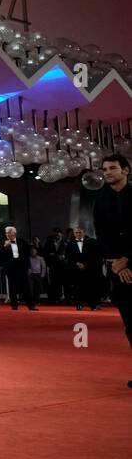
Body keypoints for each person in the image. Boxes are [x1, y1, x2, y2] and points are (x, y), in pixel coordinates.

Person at [92, 154, 132, 387]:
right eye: (104, 169)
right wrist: (117, 262)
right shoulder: (101, 200)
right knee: (131, 324)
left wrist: (127, 259)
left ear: (125, 170)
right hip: (117, 268)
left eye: (113, 168)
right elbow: (102, 235)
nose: (107, 172)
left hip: (128, 263)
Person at [66, 227, 104, 311]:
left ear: (83, 233)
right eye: (76, 232)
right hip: (76, 269)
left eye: (80, 232)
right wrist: (77, 263)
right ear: (74, 233)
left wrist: (86, 264)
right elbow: (68, 257)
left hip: (88, 269)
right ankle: (79, 304)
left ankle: (92, 305)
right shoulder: (70, 244)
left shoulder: (90, 242)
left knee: (90, 287)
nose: (78, 234)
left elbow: (93, 256)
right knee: (77, 287)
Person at [0, 226, 34, 310]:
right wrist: (5, 247)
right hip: (11, 268)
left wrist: (28, 267)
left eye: (9, 233)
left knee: (26, 286)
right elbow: (0, 256)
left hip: (21, 267)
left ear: (14, 233)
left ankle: (31, 305)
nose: (7, 234)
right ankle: (14, 305)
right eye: (6, 233)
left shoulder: (22, 242)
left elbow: (27, 255)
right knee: (12, 287)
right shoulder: (4, 243)